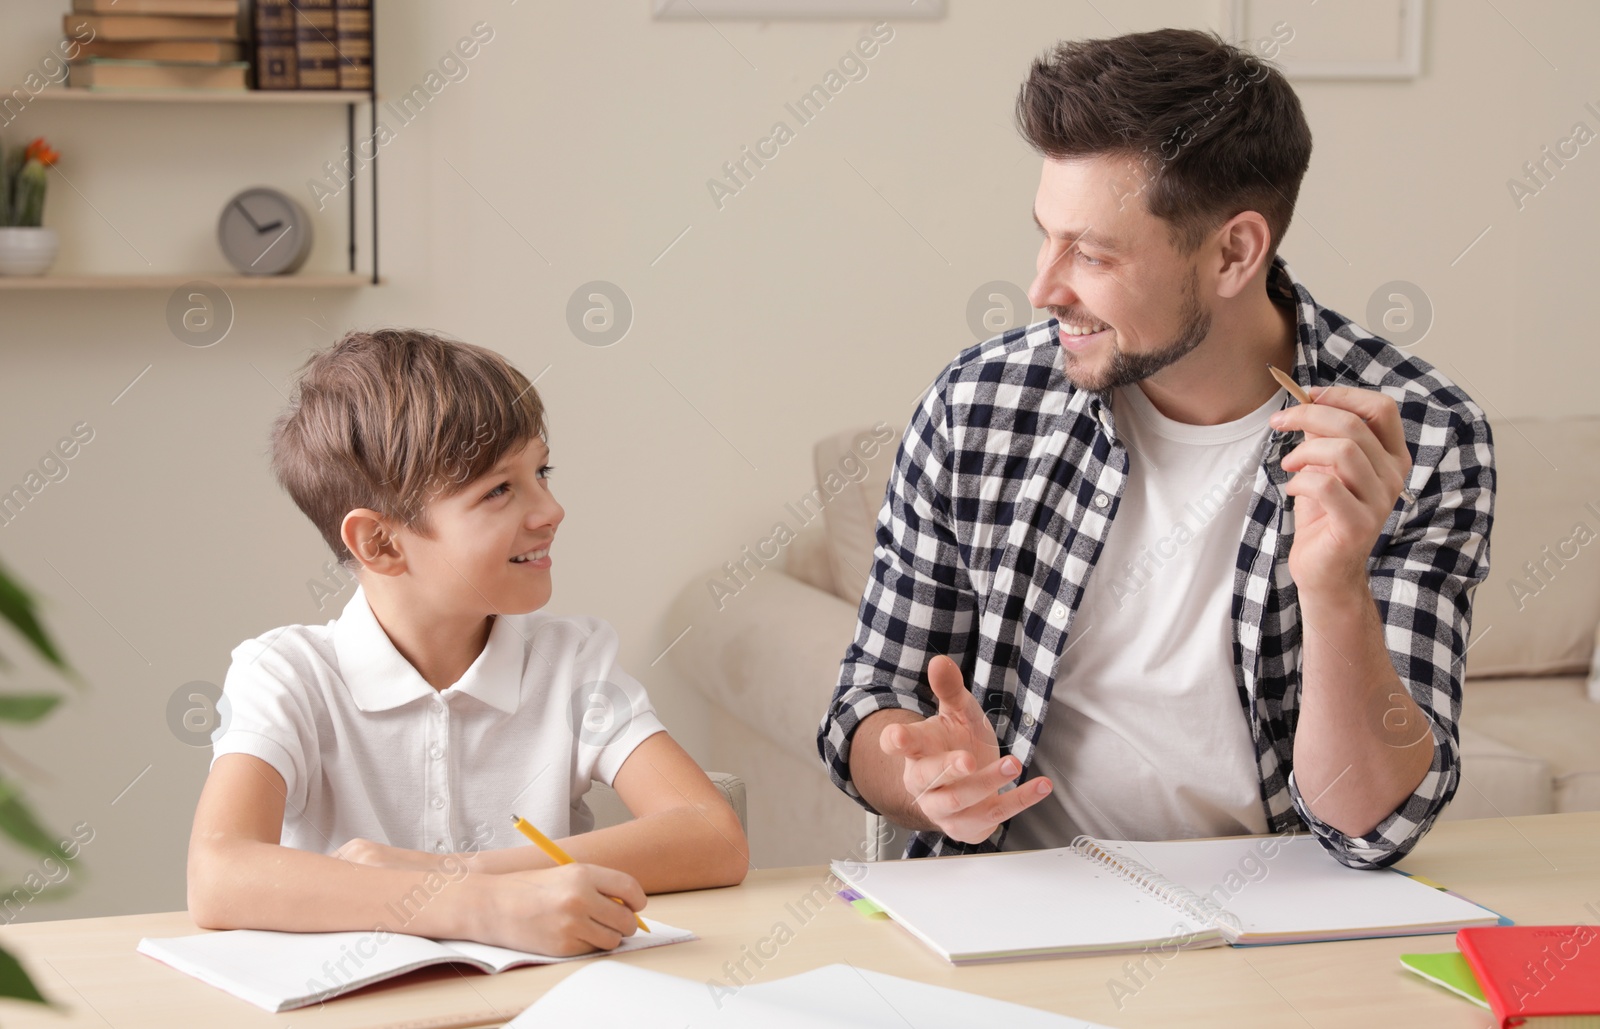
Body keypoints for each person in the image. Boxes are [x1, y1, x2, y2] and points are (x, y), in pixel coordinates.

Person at [817, 28, 1494, 869]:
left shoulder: (1419, 437)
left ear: (1234, 252)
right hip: (1009, 907)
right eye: (1045, 235)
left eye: (1092, 254)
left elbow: (1374, 822)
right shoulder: (982, 403)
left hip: (1272, 920)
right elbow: (868, 702)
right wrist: (917, 775)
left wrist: (1334, 584)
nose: (1042, 287)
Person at [188, 329, 748, 956]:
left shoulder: (571, 659)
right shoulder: (285, 675)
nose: (551, 509)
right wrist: (475, 906)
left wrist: (454, 877)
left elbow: (714, 837)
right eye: (499, 490)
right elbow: (218, 874)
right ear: (380, 543)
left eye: (541, 471)